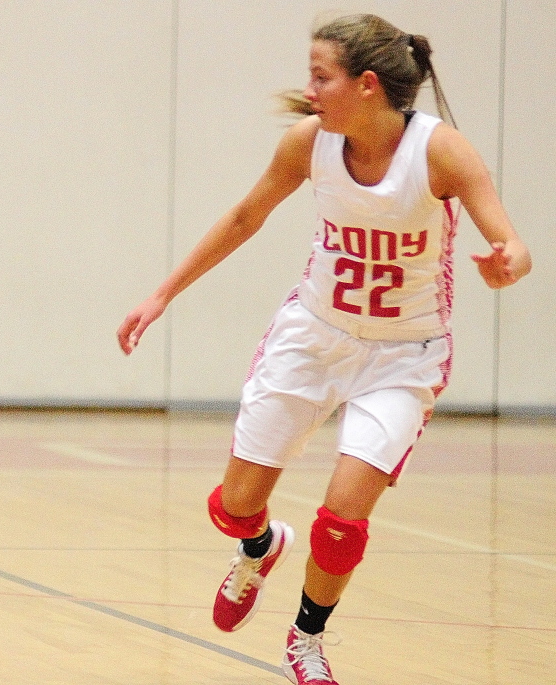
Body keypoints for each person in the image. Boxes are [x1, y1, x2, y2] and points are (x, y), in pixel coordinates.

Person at [117, 14, 530, 685]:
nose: (307, 90)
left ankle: (306, 638)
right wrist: (162, 294)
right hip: (312, 336)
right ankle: (258, 545)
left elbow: (511, 241)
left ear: (367, 85)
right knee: (234, 502)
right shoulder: (310, 143)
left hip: (405, 354)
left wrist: (509, 259)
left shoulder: (441, 152)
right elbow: (245, 217)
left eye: (321, 76)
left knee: (342, 517)